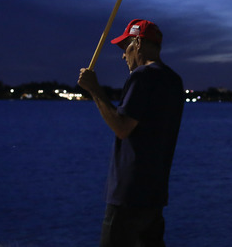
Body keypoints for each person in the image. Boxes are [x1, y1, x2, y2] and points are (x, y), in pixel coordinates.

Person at [78, 19, 184, 247]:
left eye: (124, 48)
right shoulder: (174, 81)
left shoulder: (142, 76)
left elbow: (122, 127)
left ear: (137, 43)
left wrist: (94, 90)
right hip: (155, 193)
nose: (123, 56)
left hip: (128, 193)